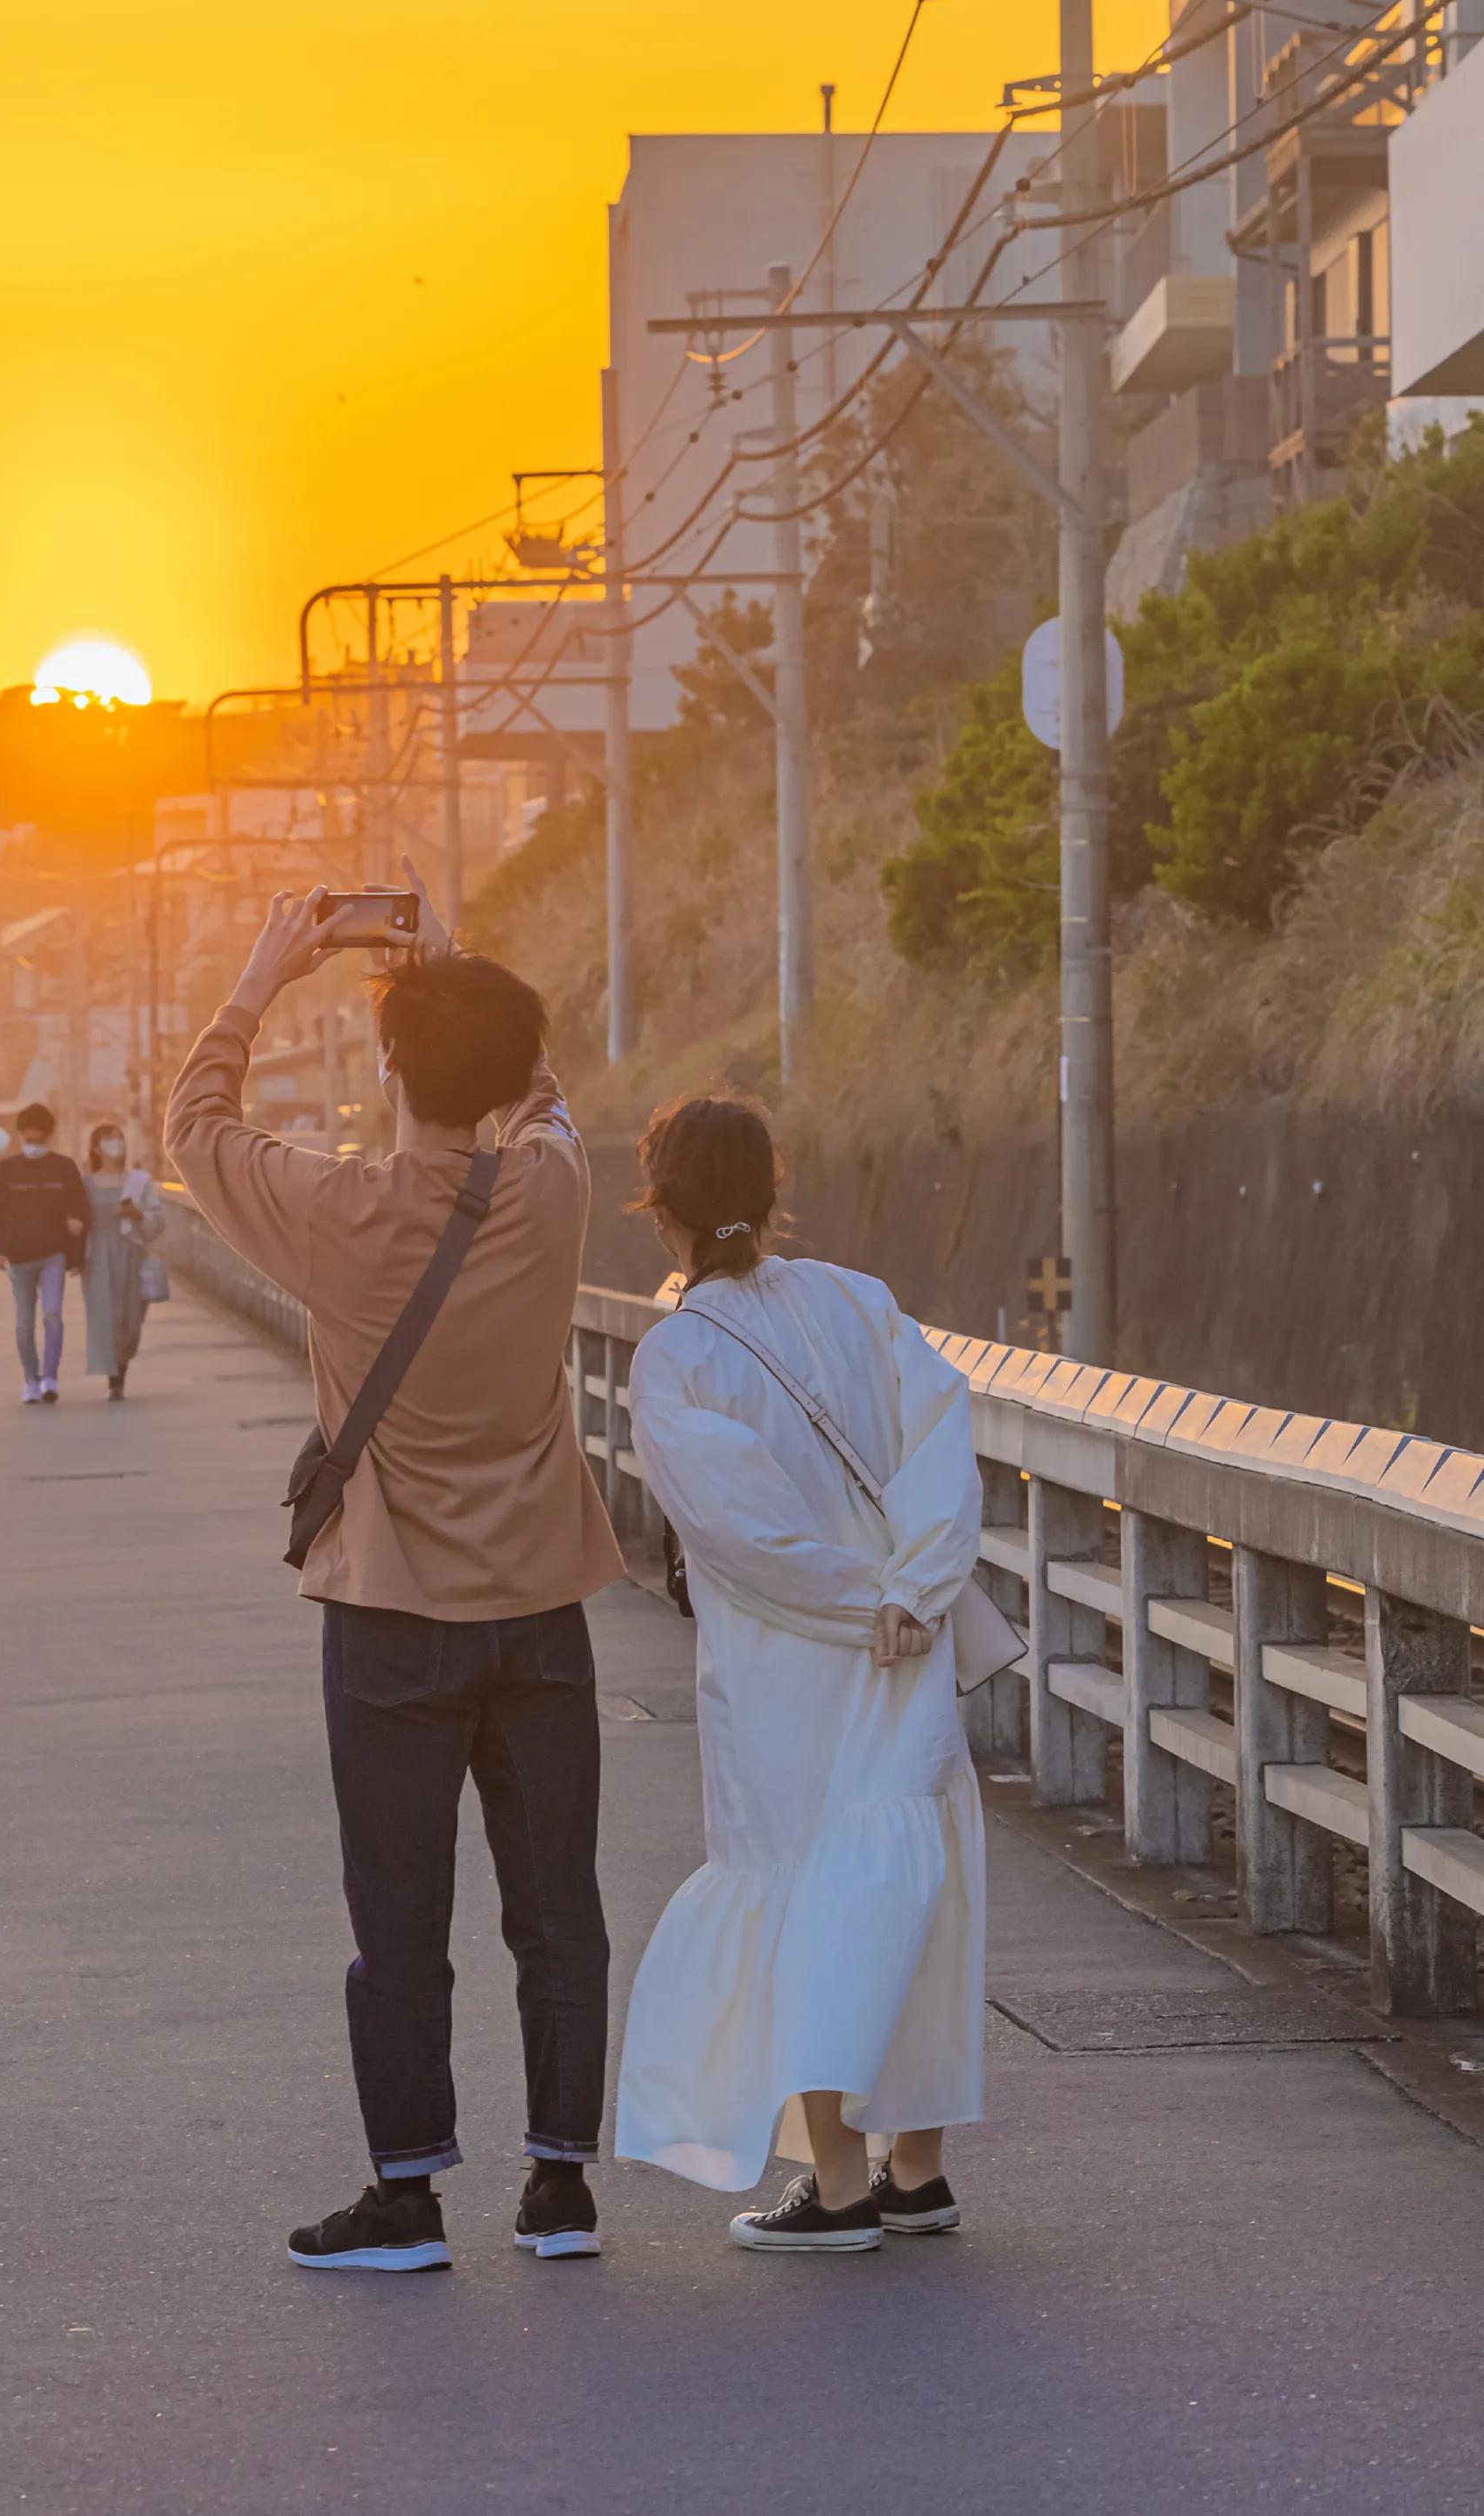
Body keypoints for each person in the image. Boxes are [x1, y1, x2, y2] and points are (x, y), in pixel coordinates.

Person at [165, 872, 621, 2278]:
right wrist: (461, 966)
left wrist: (264, 969)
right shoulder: (550, 1190)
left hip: (390, 1621)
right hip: (541, 1609)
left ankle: (408, 2195)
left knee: (400, 1918)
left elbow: (195, 1128)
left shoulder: (335, 1212)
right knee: (557, 1904)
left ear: (389, 1066)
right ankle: (559, 2187)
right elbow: (539, 1090)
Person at [614, 1093, 986, 2255]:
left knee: (802, 1886)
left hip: (792, 1665)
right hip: (906, 1652)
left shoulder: (679, 1354)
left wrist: (855, 1600)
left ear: (662, 1212)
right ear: (774, 1190)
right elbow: (944, 1435)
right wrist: (914, 1590)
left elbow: (742, 1532)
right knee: (911, 1888)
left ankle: (835, 2186)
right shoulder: (856, 1300)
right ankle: (916, 2169)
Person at [0, 1104, 89, 1406]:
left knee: (53, 1315)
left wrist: (77, 1253)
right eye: (28, 1140)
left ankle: (50, 1378)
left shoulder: (65, 1169)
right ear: (19, 1137)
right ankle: (31, 1379)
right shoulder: (6, 1171)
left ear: (50, 1137)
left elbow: (80, 1210)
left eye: (39, 1140)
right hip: (18, 1258)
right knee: (24, 1323)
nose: (33, 1146)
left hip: (53, 1255)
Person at [81, 1120, 167, 1399]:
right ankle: (114, 1379)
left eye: (120, 1138)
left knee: (131, 1322)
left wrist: (136, 1215)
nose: (117, 1142)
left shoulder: (139, 1182)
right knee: (108, 1319)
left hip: (132, 1256)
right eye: (109, 1139)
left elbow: (158, 1220)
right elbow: (75, 1222)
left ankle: (122, 1364)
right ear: (96, 1148)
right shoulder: (85, 1184)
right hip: (97, 1259)